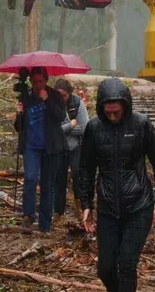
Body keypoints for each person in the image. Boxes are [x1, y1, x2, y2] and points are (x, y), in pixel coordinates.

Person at [77, 78, 155, 292]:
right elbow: (86, 168)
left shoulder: (140, 124)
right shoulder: (94, 128)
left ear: (125, 107)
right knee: (105, 269)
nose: (112, 117)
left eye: (116, 112)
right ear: (101, 109)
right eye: (108, 113)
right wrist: (86, 203)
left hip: (139, 206)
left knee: (127, 265)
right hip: (108, 208)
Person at [13, 66, 69, 233]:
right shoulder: (26, 97)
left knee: (48, 184)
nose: (38, 84)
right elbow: (18, 127)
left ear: (46, 80)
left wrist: (47, 101)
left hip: (51, 147)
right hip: (31, 146)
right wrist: (19, 113)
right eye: (34, 81)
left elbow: (60, 117)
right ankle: (28, 215)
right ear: (30, 81)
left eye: (40, 81)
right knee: (30, 178)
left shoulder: (55, 96)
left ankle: (45, 223)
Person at [53, 77, 88, 223]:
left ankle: (81, 207)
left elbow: (84, 127)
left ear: (69, 94)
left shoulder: (77, 103)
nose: (61, 98)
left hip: (75, 147)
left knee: (78, 174)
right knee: (59, 179)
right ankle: (58, 212)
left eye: (64, 95)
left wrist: (64, 129)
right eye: (58, 95)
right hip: (59, 148)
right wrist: (70, 125)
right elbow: (52, 130)